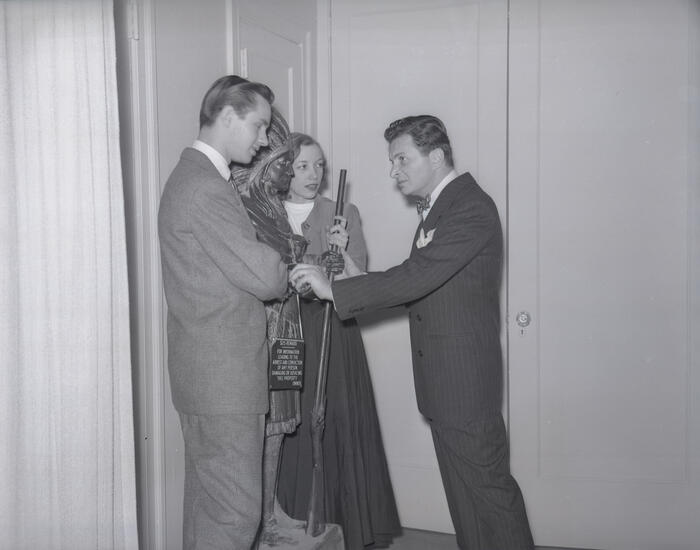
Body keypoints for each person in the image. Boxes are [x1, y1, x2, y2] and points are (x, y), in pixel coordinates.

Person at [290, 116, 534, 550]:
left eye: (402, 159)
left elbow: (416, 276)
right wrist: (351, 269)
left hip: (464, 383)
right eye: (392, 161)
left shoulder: (469, 207)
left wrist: (332, 290)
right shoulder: (441, 208)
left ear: (436, 156)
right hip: (446, 384)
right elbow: (418, 282)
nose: (394, 171)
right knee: (467, 499)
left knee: (489, 495)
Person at [158, 75, 288, 550]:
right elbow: (266, 277)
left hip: (206, 377)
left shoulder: (192, 177)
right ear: (229, 116)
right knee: (234, 514)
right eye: (259, 125)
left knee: (208, 511)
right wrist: (284, 260)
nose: (263, 140)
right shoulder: (206, 188)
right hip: (223, 381)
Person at [277, 132, 401, 549]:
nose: (314, 174)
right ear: (284, 169)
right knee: (291, 428)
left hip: (334, 330)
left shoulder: (342, 212)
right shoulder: (266, 213)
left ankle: (344, 529)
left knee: (337, 426)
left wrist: (342, 256)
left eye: (319, 165)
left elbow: (358, 280)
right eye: (303, 166)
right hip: (288, 333)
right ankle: (294, 529)